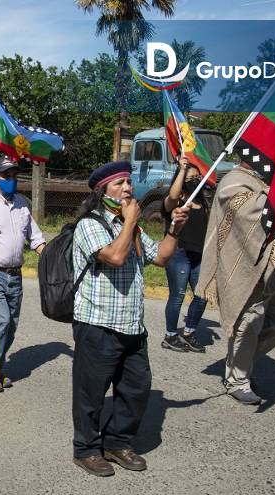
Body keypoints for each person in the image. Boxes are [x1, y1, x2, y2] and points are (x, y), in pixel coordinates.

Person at [69, 161, 191, 477]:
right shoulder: (90, 224)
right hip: (97, 325)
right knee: (91, 394)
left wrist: (174, 228)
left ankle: (116, 442)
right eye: (119, 184)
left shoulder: (131, 227)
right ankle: (86, 449)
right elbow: (115, 256)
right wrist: (130, 221)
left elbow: (162, 257)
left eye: (128, 182)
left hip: (132, 326)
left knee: (136, 389)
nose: (127, 188)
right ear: (102, 191)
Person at [196, 163, 275, 406]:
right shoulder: (234, 179)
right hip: (248, 267)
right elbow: (243, 213)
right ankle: (237, 380)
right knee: (250, 322)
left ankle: (241, 363)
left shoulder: (269, 180)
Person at [0, 155, 45, 393]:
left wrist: (49, 256)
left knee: (12, 325)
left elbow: (35, 236)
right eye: (6, 176)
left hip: (15, 276)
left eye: (14, 176)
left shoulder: (21, 203)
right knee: (2, 321)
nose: (11, 180)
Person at [160, 155, 212, 353]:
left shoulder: (203, 201)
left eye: (198, 177)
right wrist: (182, 170)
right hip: (179, 253)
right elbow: (171, 198)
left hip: (198, 254)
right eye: (191, 179)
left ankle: (189, 332)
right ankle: (170, 335)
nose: (195, 181)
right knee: (178, 295)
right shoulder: (178, 202)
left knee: (201, 295)